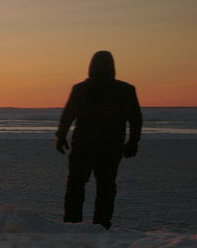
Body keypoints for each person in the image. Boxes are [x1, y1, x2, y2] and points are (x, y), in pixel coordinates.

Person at [55, 50, 142, 229]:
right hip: (110, 145)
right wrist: (133, 142)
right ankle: (102, 224)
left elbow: (68, 115)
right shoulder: (125, 90)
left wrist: (61, 135)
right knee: (106, 186)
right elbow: (135, 119)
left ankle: (72, 222)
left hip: (84, 144)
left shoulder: (81, 88)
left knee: (76, 185)